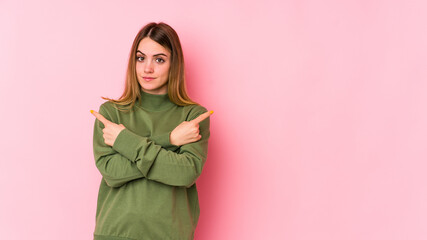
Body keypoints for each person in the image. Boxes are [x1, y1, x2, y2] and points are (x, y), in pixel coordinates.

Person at [90, 22, 212, 240]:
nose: (147, 68)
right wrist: (170, 139)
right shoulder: (111, 113)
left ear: (174, 64)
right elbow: (112, 173)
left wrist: (124, 141)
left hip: (170, 234)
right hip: (115, 233)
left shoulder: (193, 117)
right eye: (140, 58)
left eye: (159, 59)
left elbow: (185, 173)